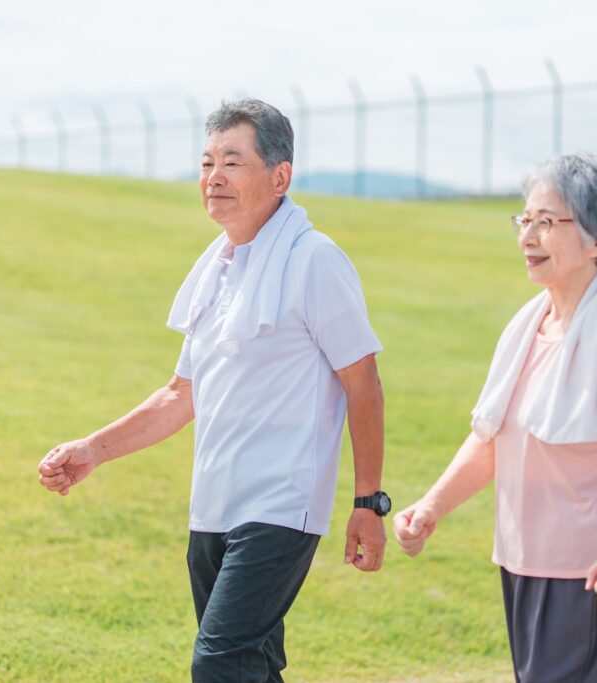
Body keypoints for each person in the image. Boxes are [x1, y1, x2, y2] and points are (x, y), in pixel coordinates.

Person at [37, 99, 390, 682]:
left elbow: (363, 383)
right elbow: (181, 395)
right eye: (206, 163)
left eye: (232, 161)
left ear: (280, 177)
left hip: (280, 506)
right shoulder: (217, 271)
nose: (214, 177)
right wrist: (92, 450)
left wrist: (368, 503)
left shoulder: (315, 261)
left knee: (219, 664)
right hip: (213, 506)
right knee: (250, 667)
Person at [393, 153, 597, 682]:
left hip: (590, 579)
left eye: (546, 222)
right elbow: (494, 437)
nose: (527, 236)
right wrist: (433, 505)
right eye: (524, 219)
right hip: (522, 565)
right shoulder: (529, 326)